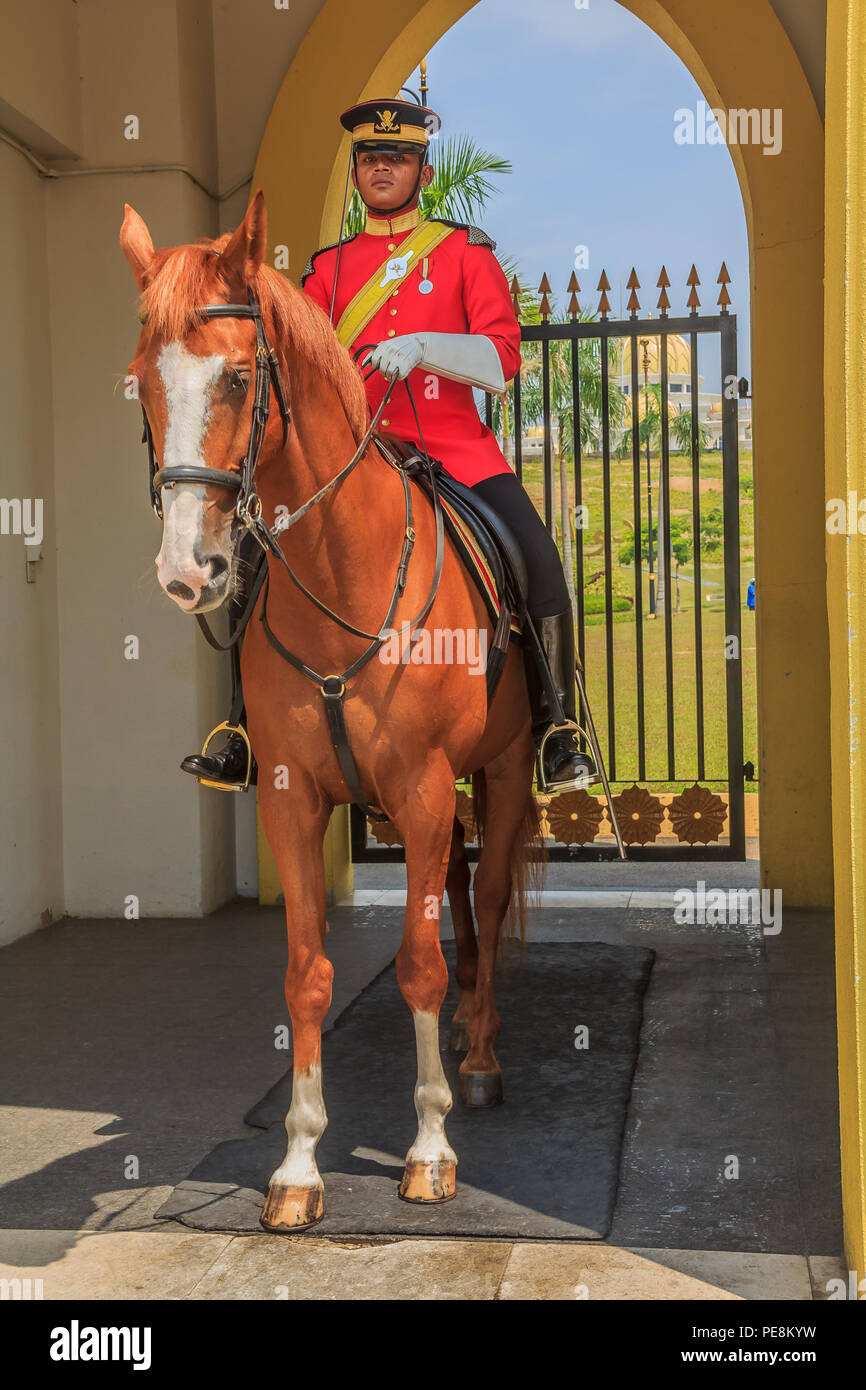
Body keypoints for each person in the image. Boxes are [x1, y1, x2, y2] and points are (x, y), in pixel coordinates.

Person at [181, 97, 596, 794]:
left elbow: (501, 361)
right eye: (371, 159)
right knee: (252, 559)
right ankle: (243, 730)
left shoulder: (464, 253)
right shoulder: (325, 273)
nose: (382, 168)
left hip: (456, 451)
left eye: (397, 158)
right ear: (353, 176)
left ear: (423, 173)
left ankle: (558, 726)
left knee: (537, 556)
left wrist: (427, 346)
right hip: (356, 458)